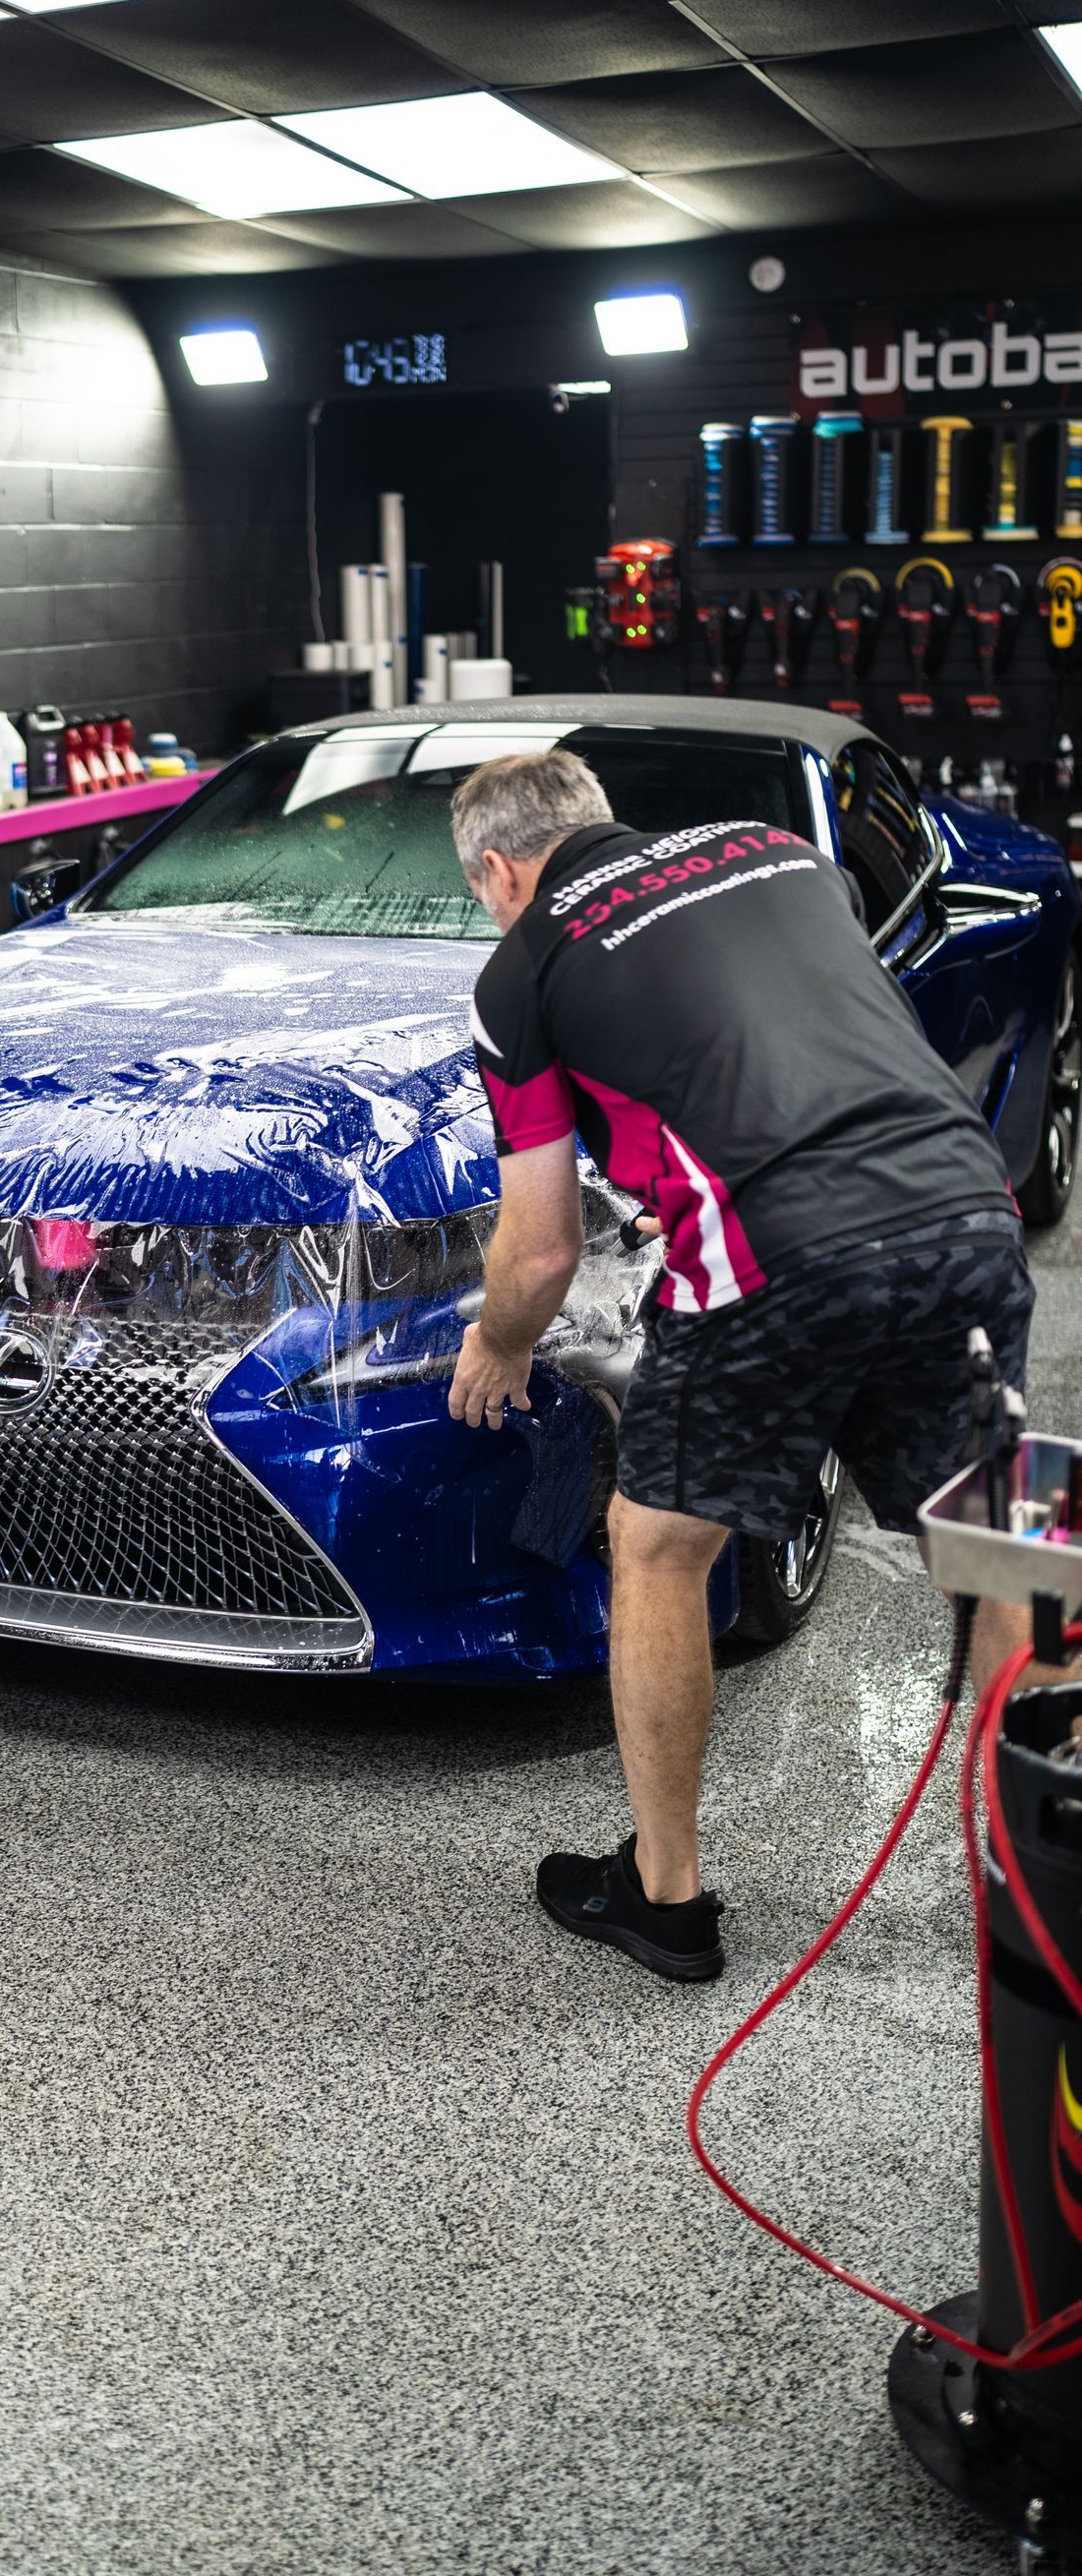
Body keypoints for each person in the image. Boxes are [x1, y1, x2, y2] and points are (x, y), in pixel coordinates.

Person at [444, 749, 1036, 1983]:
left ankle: (664, 1900)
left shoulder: (522, 970)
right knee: (990, 1548)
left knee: (659, 1545)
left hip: (774, 1257)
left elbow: (543, 1246)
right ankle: (1042, 1879)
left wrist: (496, 1343)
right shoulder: (781, 856)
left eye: (483, 893)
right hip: (964, 1210)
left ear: (500, 871)